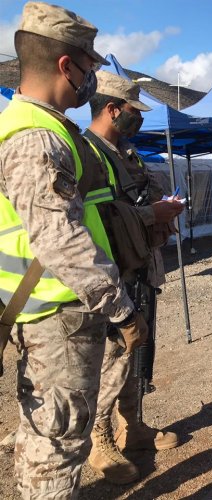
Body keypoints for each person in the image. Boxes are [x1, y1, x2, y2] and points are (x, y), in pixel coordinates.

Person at [0, 2, 148, 497]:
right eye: (90, 68)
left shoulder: (42, 127)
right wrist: (123, 312)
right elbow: (62, 241)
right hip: (57, 317)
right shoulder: (37, 137)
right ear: (68, 65)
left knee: (45, 435)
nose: (91, 81)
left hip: (50, 310)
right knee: (59, 444)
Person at [83, 70, 184, 484]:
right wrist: (151, 214)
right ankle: (99, 438)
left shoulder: (127, 154)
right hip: (112, 275)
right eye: (132, 113)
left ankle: (133, 426)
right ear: (112, 109)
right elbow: (95, 221)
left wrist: (162, 206)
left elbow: (137, 197)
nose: (137, 120)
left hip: (140, 268)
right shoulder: (87, 155)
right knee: (112, 358)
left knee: (137, 353)